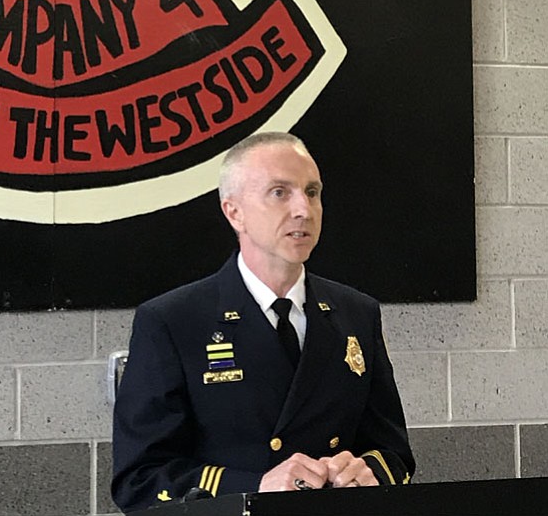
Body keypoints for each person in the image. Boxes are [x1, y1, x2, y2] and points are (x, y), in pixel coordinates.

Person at [112, 132, 414, 511]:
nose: (303, 209)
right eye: (279, 193)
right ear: (234, 212)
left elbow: (393, 451)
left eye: (313, 192)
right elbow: (139, 479)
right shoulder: (174, 321)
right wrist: (255, 486)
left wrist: (367, 470)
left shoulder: (356, 313)